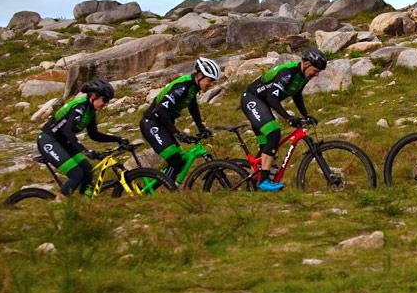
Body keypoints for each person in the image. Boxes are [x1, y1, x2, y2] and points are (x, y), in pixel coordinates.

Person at [240, 48, 327, 191]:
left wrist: (305, 115)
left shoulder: (303, 76)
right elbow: (271, 97)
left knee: (267, 147)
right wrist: (288, 118)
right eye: (315, 70)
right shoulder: (288, 72)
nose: (316, 75)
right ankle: (264, 182)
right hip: (252, 99)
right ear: (305, 64)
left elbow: (297, 95)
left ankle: (253, 184)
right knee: (274, 133)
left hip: (263, 102)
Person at [36, 79, 129, 196]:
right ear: (93, 96)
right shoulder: (79, 107)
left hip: (63, 141)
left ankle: (83, 203)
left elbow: (94, 135)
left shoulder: (90, 111)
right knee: (77, 175)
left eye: (108, 101)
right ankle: (59, 205)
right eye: (105, 100)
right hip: (49, 140)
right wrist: (84, 150)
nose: (106, 104)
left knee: (87, 171)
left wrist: (117, 139)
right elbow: (68, 132)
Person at [139, 57, 220, 183]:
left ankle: (164, 189)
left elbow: (193, 107)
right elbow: (160, 110)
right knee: (175, 161)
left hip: (163, 124)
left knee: (179, 162)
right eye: (210, 80)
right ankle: (166, 190)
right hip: (152, 123)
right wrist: (176, 133)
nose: (211, 84)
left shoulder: (193, 87)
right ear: (199, 75)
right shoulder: (183, 86)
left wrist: (201, 128)